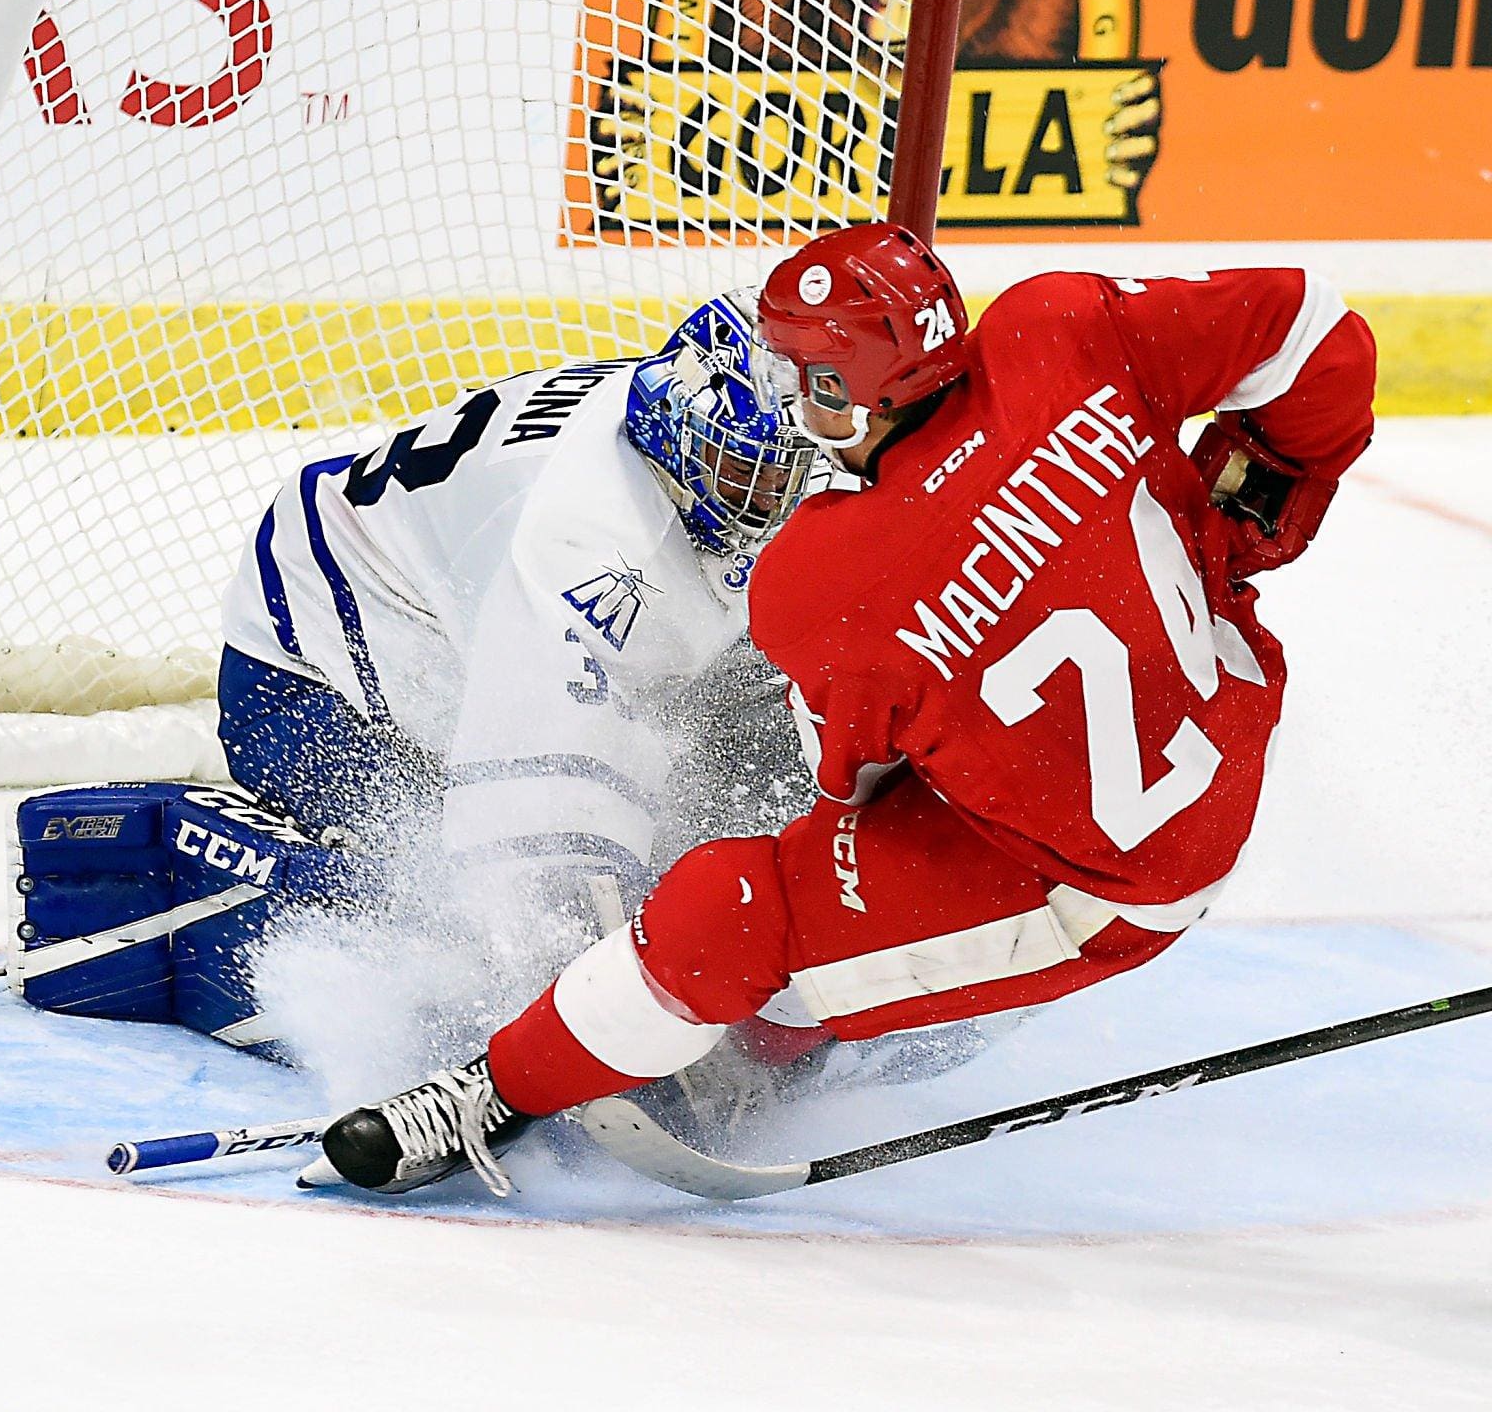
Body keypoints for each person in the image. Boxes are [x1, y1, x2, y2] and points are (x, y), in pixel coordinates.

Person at [301, 223, 1378, 1196]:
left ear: (847, 393)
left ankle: (503, 1085)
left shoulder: (825, 575)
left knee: (731, 909)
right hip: (1221, 715)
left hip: (1107, 885)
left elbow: (847, 793)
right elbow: (1313, 328)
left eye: (808, 380)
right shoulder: (1061, 324)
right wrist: (1266, 492)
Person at [216, 290, 827, 911]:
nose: (771, 498)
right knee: (417, 900)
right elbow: (534, 825)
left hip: (455, 590)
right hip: (310, 650)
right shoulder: (573, 529)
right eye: (742, 466)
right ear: (677, 426)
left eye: (790, 469)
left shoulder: (670, 422)